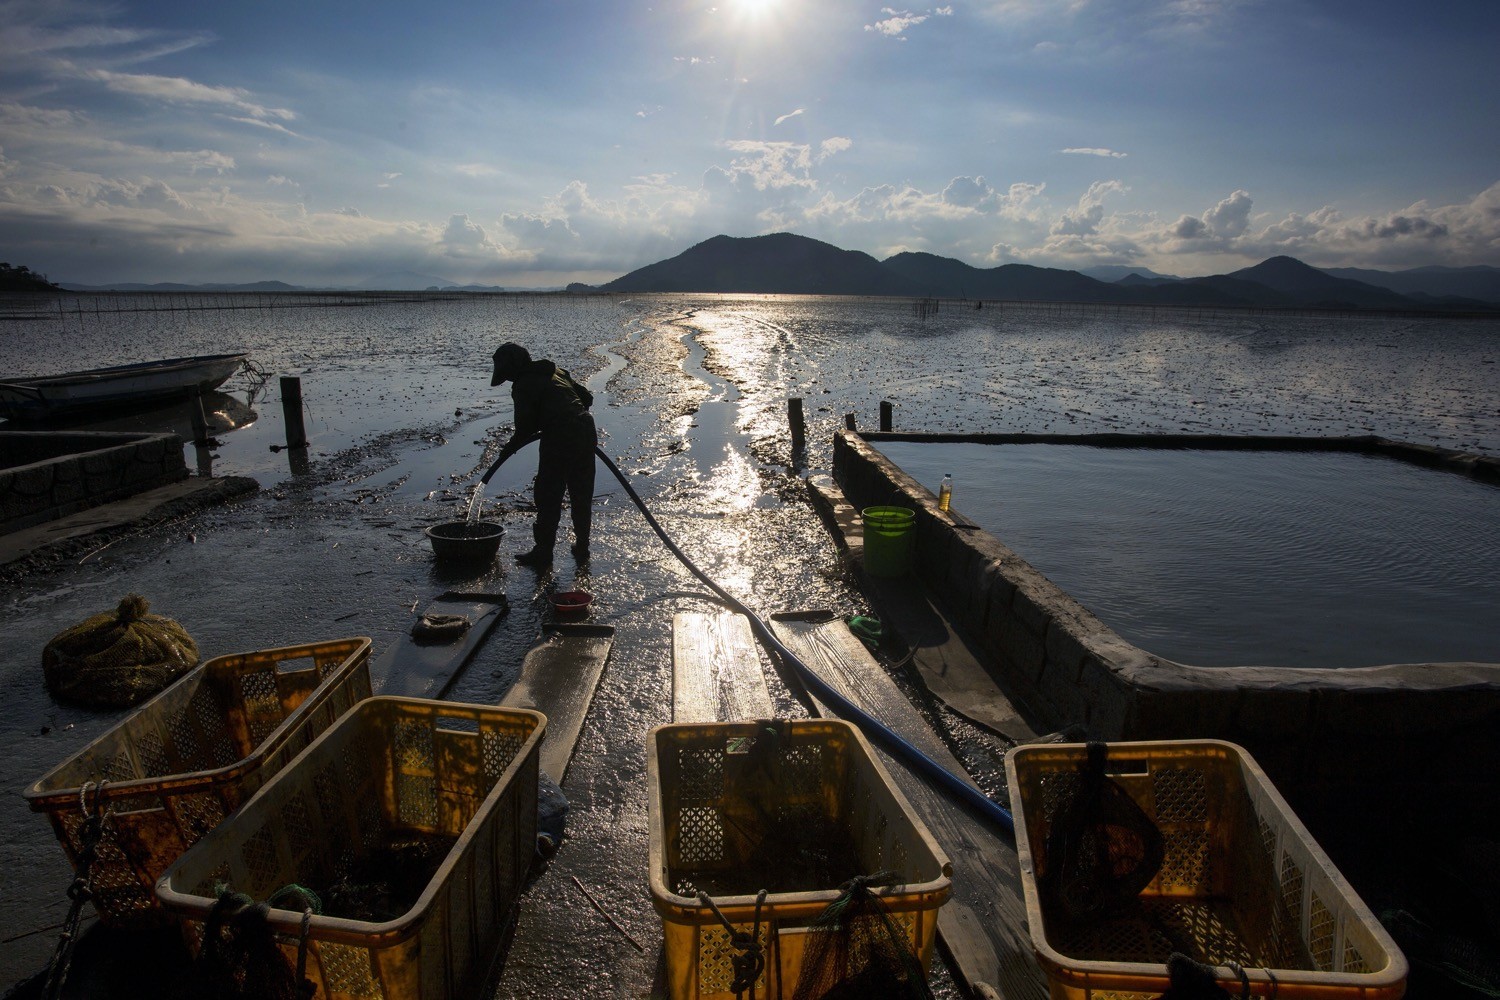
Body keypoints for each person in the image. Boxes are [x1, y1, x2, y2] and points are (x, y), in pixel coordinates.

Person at [484, 342, 597, 567]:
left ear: (514, 367)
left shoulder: (524, 385)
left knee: (548, 494)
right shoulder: (558, 372)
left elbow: (525, 428)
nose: (508, 380)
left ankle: (543, 552)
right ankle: (582, 547)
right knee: (580, 493)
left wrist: (509, 448)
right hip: (585, 431)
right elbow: (587, 398)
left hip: (559, 438)